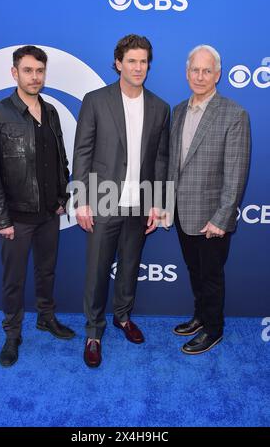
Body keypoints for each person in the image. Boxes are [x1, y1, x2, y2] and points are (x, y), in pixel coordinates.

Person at [72, 34, 170, 367]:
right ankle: (93, 331)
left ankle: (123, 317)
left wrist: (158, 202)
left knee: (129, 265)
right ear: (118, 63)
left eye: (144, 61)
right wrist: (81, 199)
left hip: (140, 203)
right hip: (102, 199)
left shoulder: (160, 107)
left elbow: (160, 158)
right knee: (98, 270)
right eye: (132, 61)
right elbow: (82, 151)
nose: (138, 67)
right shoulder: (96, 100)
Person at [0, 45, 75, 367]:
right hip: (16, 219)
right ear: (14, 73)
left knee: (47, 271)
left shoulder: (51, 112)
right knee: (14, 279)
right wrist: (2, 219)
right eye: (28, 70)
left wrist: (62, 199)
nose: (35, 77)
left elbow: (60, 160)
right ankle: (12, 333)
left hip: (50, 214)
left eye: (40, 71)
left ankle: (46, 318)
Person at [167, 44, 250, 354]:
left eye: (206, 71)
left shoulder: (234, 114)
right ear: (187, 73)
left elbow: (236, 172)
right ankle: (201, 316)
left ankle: (214, 329)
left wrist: (222, 218)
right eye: (195, 70)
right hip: (181, 212)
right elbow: (174, 164)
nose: (200, 76)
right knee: (194, 270)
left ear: (218, 74)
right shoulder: (177, 111)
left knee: (211, 275)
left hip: (212, 216)